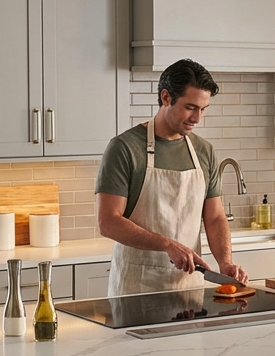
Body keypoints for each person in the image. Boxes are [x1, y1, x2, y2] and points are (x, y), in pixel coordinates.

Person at [96, 59, 248, 297]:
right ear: (166, 97)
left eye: (203, 109)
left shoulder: (203, 151)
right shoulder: (124, 148)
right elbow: (108, 222)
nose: (197, 118)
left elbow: (215, 216)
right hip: (137, 289)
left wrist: (225, 262)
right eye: (190, 107)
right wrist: (167, 244)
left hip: (189, 288)